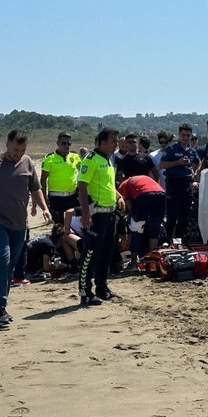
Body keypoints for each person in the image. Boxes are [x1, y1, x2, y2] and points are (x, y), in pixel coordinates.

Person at [0, 129, 51, 327]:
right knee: (2, 260)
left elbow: (35, 188)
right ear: (7, 144)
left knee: (10, 267)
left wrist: (44, 208)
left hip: (19, 224)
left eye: (22, 150)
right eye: (15, 149)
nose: (18, 154)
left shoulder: (28, 162)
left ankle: (2, 306)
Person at [77, 127, 124, 306]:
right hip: (96, 215)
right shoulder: (91, 159)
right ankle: (85, 292)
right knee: (89, 255)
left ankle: (102, 288)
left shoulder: (108, 159)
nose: (116, 144)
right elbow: (82, 186)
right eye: (114, 141)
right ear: (103, 143)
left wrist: (119, 197)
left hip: (110, 213)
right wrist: (86, 214)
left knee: (106, 253)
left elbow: (108, 185)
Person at [159, 123, 201, 242]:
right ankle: (167, 242)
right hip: (173, 185)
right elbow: (161, 165)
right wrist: (177, 163)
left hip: (186, 186)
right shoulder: (171, 150)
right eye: (183, 135)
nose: (185, 138)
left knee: (185, 217)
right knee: (171, 218)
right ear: (179, 135)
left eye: (188, 135)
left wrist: (195, 172)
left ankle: (179, 242)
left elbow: (198, 162)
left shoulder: (192, 151)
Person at [117, 174, 166, 259]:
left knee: (136, 229)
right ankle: (153, 259)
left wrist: (129, 216)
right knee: (155, 230)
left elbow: (128, 206)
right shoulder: (140, 179)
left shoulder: (123, 186)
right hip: (160, 194)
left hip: (143, 195)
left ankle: (133, 262)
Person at [41, 132, 82, 224]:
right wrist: (44, 199)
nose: (66, 146)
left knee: (75, 225)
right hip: (56, 198)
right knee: (59, 227)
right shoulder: (49, 158)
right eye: (63, 143)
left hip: (72, 197)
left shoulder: (75, 156)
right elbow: (43, 179)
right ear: (58, 143)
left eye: (69, 143)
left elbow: (83, 174)